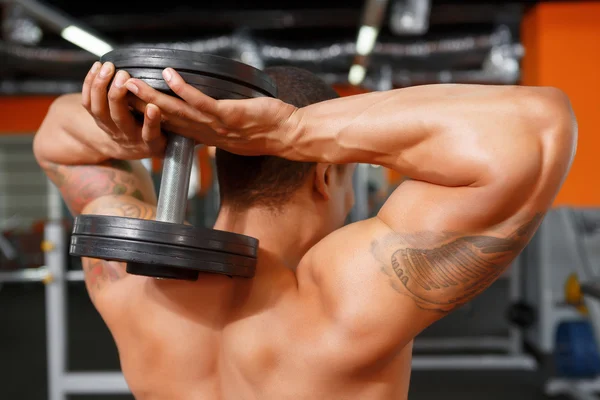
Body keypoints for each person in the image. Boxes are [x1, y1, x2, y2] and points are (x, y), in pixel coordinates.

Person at [34, 60, 577, 400]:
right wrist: (294, 130)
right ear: (324, 174)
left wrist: (145, 128)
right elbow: (536, 126)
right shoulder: (339, 304)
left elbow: (58, 138)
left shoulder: (135, 287)